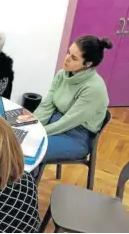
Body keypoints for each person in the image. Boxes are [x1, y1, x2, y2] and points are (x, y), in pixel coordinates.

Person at [33, 35, 112, 164]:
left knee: (32, 148)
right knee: (21, 139)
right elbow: (47, 105)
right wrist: (33, 125)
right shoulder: (62, 74)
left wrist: (38, 132)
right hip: (56, 121)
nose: (67, 59)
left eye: (74, 58)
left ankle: (23, 183)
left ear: (88, 64)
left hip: (77, 136)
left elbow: (69, 121)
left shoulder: (93, 88)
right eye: (68, 52)